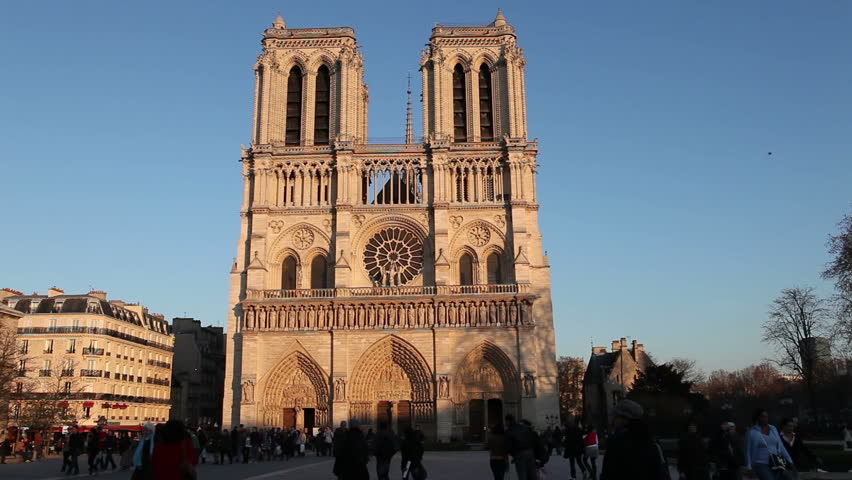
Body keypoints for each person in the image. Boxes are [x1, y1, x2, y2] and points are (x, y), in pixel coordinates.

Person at [599, 399, 664, 480]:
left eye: (615, 417)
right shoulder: (650, 440)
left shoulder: (616, 442)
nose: (613, 421)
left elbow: (608, 473)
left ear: (623, 419)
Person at [744, 408, 793, 480]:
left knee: (788, 477)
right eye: (762, 416)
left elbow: (781, 446)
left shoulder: (773, 429)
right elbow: (747, 451)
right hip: (760, 463)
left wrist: (789, 460)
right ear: (758, 418)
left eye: (766, 416)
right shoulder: (752, 432)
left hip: (776, 462)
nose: (765, 419)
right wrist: (749, 467)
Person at [505, 414, 537, 480]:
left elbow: (508, 446)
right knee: (532, 473)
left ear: (508, 421)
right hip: (530, 452)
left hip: (519, 453)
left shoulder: (509, 430)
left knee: (522, 474)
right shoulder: (525, 427)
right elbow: (532, 438)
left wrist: (514, 454)